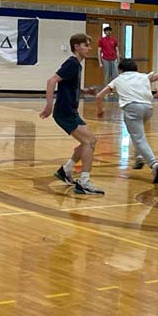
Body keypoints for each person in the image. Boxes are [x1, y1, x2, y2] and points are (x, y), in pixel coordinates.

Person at [42, 33, 104, 195]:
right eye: (86, 45)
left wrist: (84, 91)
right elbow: (52, 81)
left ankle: (66, 170)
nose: (89, 49)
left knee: (89, 141)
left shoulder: (76, 64)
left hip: (70, 110)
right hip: (65, 111)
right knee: (89, 142)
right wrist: (49, 105)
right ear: (76, 47)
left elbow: (67, 85)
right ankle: (84, 182)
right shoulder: (72, 63)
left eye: (89, 46)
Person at [95, 59, 158, 183]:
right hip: (148, 108)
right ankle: (138, 158)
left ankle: (154, 164)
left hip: (132, 108)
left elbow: (99, 96)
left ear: (120, 70)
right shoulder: (143, 76)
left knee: (138, 138)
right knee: (137, 134)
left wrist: (100, 111)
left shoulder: (118, 79)